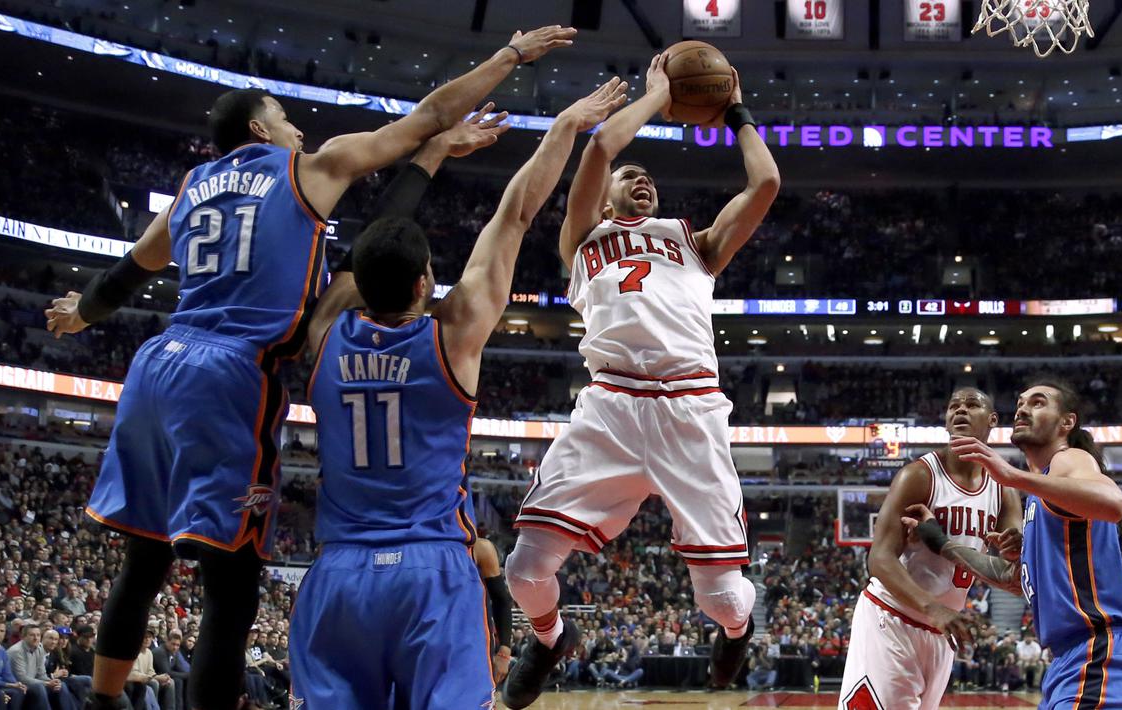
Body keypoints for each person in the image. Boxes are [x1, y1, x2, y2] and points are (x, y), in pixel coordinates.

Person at [43, 24, 577, 710]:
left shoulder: (191, 189)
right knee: (230, 590)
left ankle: (102, 702)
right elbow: (429, 117)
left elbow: (128, 271)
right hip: (229, 372)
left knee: (142, 561)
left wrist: (82, 315)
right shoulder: (304, 170)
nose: (297, 128)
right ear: (260, 130)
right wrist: (507, 59)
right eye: (285, 116)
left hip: (158, 363)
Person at [288, 78, 627, 709]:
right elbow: (515, 213)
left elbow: (369, 245)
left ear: (358, 280)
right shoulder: (452, 335)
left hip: (338, 571)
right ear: (424, 283)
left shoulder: (324, 331)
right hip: (430, 569)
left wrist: (432, 152)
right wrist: (565, 126)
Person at [502, 52, 780, 708]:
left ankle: (737, 631)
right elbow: (601, 146)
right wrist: (659, 95)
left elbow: (766, 182)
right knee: (524, 569)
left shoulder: (693, 241)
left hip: (689, 407)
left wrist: (736, 112)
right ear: (604, 197)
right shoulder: (582, 240)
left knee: (721, 598)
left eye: (649, 177)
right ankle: (548, 640)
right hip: (611, 406)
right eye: (631, 176)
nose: (643, 180)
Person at [908, 378, 1122, 709]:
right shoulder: (1042, 495)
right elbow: (1013, 580)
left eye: (1038, 403)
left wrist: (1013, 476)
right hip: (1070, 660)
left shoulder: (1069, 460)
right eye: (1020, 403)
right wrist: (940, 541)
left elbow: (1115, 503)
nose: (1022, 409)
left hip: (1100, 648)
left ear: (1067, 422)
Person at [839, 388, 1022, 710]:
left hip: (941, 628)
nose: (960, 410)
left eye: (972, 405)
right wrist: (933, 608)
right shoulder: (920, 475)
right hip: (892, 616)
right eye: (954, 406)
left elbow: (1014, 574)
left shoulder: (1003, 489)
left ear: (992, 420)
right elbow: (879, 558)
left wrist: (1016, 549)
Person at [473, 538, 514, 686]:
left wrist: (504, 651)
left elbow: (501, 600)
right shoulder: (411, 545)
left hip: (473, 647)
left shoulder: (478, 548)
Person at [9, 625, 77, 710]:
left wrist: (52, 682)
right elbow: (22, 678)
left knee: (60, 685)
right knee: (39, 687)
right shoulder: (17, 651)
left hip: (34, 683)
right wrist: (47, 683)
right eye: (32, 635)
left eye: (38, 635)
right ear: (23, 637)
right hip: (18, 685)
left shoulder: (39, 649)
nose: (36, 638)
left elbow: (41, 674)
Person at [0, 620, 28, 710]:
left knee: (19, 691)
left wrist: (16, 684)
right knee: (0, 695)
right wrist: (9, 685)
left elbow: (7, 674)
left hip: (0, 685)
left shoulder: (2, 650)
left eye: (2, 631)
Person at [150, 633, 187, 710]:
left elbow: (180, 668)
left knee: (179, 681)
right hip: (155, 678)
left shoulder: (174, 652)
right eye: (173, 644)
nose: (175, 647)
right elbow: (167, 672)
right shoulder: (160, 652)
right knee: (171, 682)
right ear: (167, 641)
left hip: (164, 678)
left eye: (178, 645)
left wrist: (189, 675)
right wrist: (188, 675)